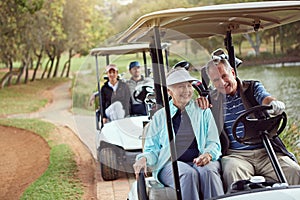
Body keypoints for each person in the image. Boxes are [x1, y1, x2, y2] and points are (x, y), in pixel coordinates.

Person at [197, 51, 300, 191]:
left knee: (293, 170)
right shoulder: (212, 99)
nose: (221, 83)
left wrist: (274, 105)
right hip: (236, 155)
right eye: (215, 80)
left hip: (266, 151)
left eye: (224, 76)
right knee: (232, 171)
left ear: (232, 73)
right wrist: (200, 104)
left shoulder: (252, 88)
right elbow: (199, 115)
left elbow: (266, 99)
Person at [133, 68, 224, 200]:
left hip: (201, 158)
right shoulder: (160, 117)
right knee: (187, 174)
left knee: (208, 171)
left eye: (189, 85)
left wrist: (208, 154)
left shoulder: (202, 110)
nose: (187, 90)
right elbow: (152, 149)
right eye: (181, 86)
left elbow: (213, 141)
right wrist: (143, 158)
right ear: (169, 91)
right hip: (170, 164)